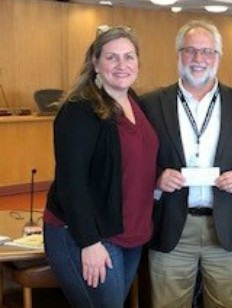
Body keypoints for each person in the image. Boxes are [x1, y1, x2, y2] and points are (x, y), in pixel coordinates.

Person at [140, 20, 232, 308]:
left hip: (226, 227)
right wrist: (156, 177)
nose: (198, 59)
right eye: (190, 51)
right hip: (171, 227)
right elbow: (134, 161)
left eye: (207, 51)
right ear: (179, 54)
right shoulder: (150, 104)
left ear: (218, 57)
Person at [43, 26, 158, 307]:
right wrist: (89, 243)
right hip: (89, 235)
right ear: (95, 62)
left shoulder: (137, 103)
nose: (122, 65)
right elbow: (72, 182)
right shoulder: (80, 110)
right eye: (112, 57)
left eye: (129, 57)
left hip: (130, 233)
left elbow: (138, 163)